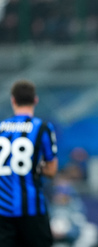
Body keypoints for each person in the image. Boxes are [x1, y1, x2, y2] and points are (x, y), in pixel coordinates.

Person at [0, 80, 58, 247]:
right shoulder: (42, 127)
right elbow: (51, 170)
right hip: (32, 209)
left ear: (13, 100)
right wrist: (38, 168)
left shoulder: (1, 128)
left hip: (2, 209)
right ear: (35, 100)